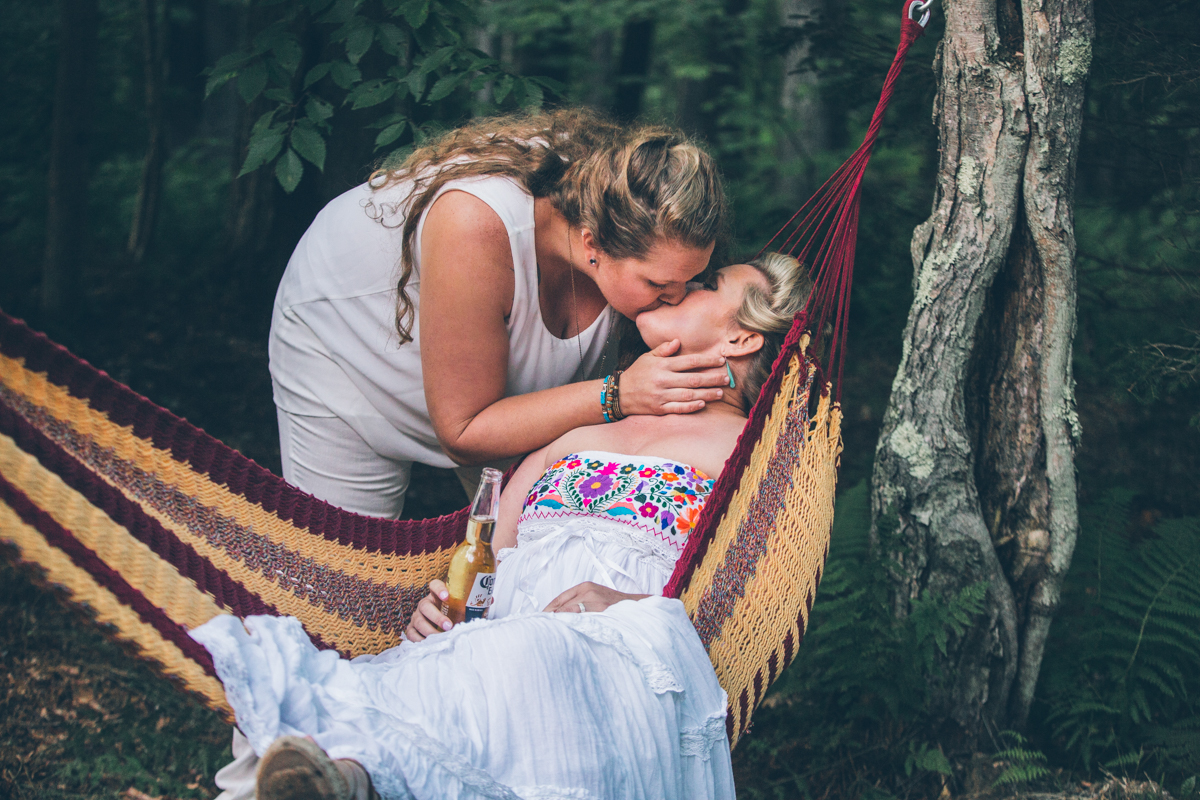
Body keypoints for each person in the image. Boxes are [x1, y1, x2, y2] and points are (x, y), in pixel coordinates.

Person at [195, 254, 812, 800]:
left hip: (610, 669)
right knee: (414, 676)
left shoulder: (752, 457)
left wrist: (632, 607)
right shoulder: (578, 434)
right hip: (497, 647)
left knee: (532, 653)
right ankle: (350, 779)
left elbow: (756, 610)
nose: (677, 290)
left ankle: (355, 782)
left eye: (704, 285)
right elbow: (486, 554)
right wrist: (441, 608)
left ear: (740, 338)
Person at [269, 109, 734, 519]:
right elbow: (465, 431)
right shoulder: (476, 223)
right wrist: (619, 394)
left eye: (693, 279)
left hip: (498, 399)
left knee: (528, 544)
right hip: (349, 349)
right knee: (344, 573)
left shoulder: (630, 221)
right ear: (593, 244)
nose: (678, 297)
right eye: (658, 284)